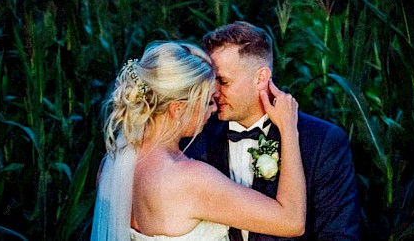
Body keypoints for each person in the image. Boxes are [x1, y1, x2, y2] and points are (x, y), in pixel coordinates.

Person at [90, 41, 307, 241]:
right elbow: (292, 221)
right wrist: (288, 128)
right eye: (207, 102)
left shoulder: (113, 164)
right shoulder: (189, 179)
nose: (213, 110)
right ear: (178, 109)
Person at [185, 21, 362, 241]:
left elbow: (339, 235)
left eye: (223, 81)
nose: (214, 92)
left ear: (260, 78)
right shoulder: (195, 139)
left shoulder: (322, 142)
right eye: (212, 81)